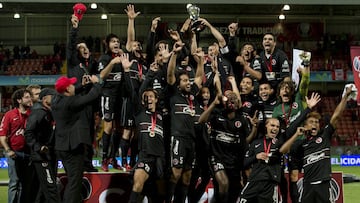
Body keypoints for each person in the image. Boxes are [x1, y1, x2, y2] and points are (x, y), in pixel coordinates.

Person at [280, 86, 353, 203]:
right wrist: (296, 135)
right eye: (311, 122)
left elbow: (336, 117)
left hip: (323, 185)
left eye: (317, 122)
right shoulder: (300, 144)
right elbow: (283, 150)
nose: (315, 124)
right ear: (305, 125)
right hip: (307, 186)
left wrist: (345, 96)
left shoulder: (325, 135)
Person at [198, 90, 258, 203]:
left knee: (233, 190)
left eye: (234, 98)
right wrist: (214, 104)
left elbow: (246, 142)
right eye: (228, 98)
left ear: (238, 103)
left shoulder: (242, 120)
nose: (231, 100)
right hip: (216, 157)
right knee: (224, 183)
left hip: (233, 161)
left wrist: (254, 128)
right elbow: (201, 120)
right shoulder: (216, 114)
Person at [51, 75, 102, 203]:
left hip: (62, 146)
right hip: (73, 147)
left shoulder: (56, 100)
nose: (74, 85)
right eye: (71, 84)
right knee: (75, 183)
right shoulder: (70, 102)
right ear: (67, 89)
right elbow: (91, 97)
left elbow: (71, 93)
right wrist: (97, 83)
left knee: (72, 179)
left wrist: (82, 85)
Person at [67, 13, 99, 172]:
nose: (85, 50)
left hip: (88, 105)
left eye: (86, 48)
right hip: (76, 104)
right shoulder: (73, 63)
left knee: (90, 134)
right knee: (80, 134)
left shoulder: (89, 66)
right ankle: (79, 162)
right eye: (81, 48)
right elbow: (70, 46)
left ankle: (88, 162)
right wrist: (74, 28)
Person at [129, 88, 166, 203]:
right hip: (145, 156)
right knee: (138, 184)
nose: (148, 98)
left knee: (159, 194)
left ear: (156, 99)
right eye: (146, 97)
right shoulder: (139, 113)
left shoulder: (163, 117)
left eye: (151, 96)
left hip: (160, 158)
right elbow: (132, 92)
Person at [24, 88, 60, 203]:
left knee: (42, 189)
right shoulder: (39, 112)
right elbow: (29, 132)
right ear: (45, 99)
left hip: (50, 155)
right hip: (42, 156)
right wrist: (39, 147)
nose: (55, 98)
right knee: (51, 188)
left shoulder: (50, 112)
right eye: (52, 96)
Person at [0, 88, 33, 203]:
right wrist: (8, 150)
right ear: (19, 100)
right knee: (14, 182)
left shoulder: (33, 114)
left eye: (30, 96)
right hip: (14, 153)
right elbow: (2, 135)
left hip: (29, 153)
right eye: (27, 97)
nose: (30, 99)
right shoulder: (9, 115)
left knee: (25, 184)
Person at [98, 33, 124, 171]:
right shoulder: (104, 58)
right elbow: (101, 76)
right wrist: (112, 63)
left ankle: (113, 158)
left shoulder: (121, 59)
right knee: (108, 127)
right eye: (113, 41)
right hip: (108, 96)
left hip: (120, 98)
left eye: (118, 41)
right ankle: (104, 160)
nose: (116, 44)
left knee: (119, 128)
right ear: (107, 44)